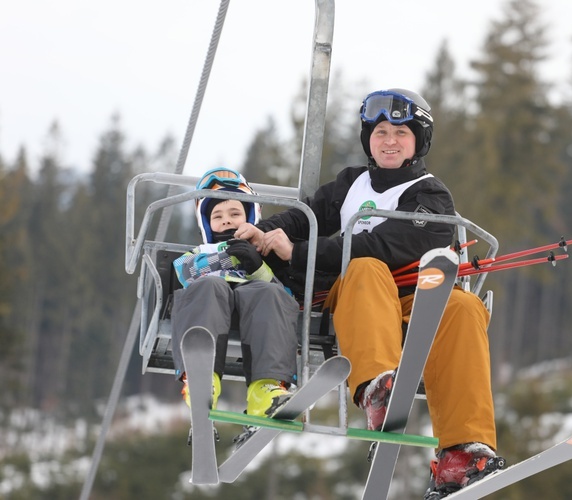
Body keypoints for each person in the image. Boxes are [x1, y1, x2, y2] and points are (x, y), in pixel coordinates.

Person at [234, 89, 504, 497]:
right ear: (368, 139)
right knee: (363, 270)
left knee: (464, 307)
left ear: (418, 141)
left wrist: (303, 253)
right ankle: (380, 387)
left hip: (416, 298)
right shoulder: (350, 184)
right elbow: (305, 216)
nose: (389, 140)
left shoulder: (431, 196)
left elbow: (387, 244)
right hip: (360, 295)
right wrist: (268, 233)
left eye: (400, 132)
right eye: (380, 132)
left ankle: (462, 452)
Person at [171, 167, 300, 419]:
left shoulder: (263, 257)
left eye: (235, 213)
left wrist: (256, 265)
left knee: (268, 291)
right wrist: (226, 257)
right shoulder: (199, 253)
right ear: (206, 223)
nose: (227, 220)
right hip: (211, 302)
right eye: (217, 215)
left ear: (250, 217)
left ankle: (265, 389)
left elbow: (281, 295)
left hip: (252, 306)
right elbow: (185, 272)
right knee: (210, 286)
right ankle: (202, 378)